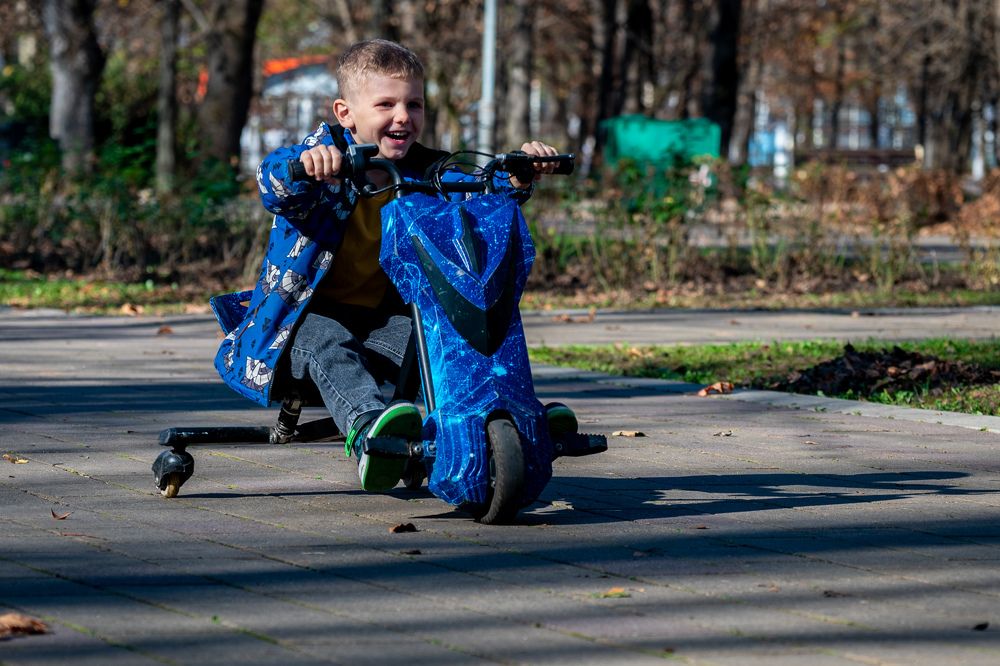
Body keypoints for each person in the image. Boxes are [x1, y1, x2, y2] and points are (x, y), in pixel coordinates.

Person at [215, 38, 575, 492]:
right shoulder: (320, 159)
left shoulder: (430, 172)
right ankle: (371, 434)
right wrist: (307, 165)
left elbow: (480, 193)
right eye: (385, 104)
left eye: (414, 104)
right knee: (329, 341)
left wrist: (519, 173)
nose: (403, 116)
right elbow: (274, 179)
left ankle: (510, 413)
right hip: (296, 324)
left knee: (444, 337)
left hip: (381, 321)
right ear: (345, 113)